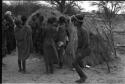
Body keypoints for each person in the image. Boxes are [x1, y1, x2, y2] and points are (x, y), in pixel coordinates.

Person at [71, 14, 91, 83]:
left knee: (74, 63)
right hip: (81, 49)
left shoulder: (83, 30)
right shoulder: (78, 30)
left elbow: (86, 42)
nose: (73, 23)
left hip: (85, 49)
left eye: (74, 21)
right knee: (77, 63)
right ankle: (82, 76)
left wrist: (80, 52)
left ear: (78, 22)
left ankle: (83, 76)